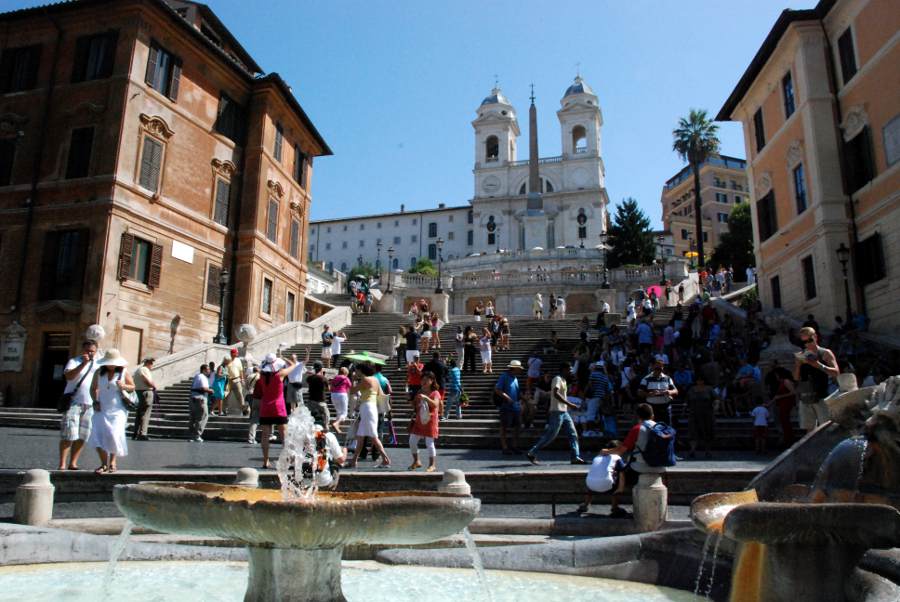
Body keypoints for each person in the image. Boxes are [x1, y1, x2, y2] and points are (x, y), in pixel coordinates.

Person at [598, 403, 668, 498]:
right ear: (653, 416)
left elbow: (621, 450)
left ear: (638, 416)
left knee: (619, 473)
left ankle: (615, 505)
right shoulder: (662, 428)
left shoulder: (637, 429)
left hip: (641, 467)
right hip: (661, 467)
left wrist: (606, 451)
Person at [526, 363, 587, 465]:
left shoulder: (563, 380)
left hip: (564, 411)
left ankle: (575, 457)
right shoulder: (557, 379)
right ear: (564, 369)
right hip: (557, 411)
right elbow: (555, 393)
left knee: (573, 434)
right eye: (569, 370)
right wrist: (570, 404)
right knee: (551, 435)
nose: (570, 372)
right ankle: (532, 452)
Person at [87, 349, 135, 474]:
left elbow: (132, 387)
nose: (111, 365)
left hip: (118, 409)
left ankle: (113, 461)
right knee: (99, 435)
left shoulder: (124, 372)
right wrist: (95, 401)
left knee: (114, 434)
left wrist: (123, 386)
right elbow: (93, 388)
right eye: (109, 362)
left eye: (113, 362)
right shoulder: (99, 372)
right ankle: (103, 463)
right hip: (102, 408)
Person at [59, 341, 100, 470]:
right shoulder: (74, 361)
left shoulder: (99, 364)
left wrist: (97, 401)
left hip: (89, 404)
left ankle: (73, 463)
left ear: (96, 351)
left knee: (83, 435)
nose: (89, 353)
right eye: (87, 350)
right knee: (68, 434)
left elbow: (99, 385)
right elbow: (69, 377)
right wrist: (83, 364)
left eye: (92, 351)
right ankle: (62, 464)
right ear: (82, 350)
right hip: (73, 403)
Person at [793, 326, 839, 432]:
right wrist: (798, 365)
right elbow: (795, 378)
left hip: (822, 395)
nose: (807, 344)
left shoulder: (825, 353)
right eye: (803, 342)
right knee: (809, 431)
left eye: (809, 340)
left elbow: (836, 373)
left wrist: (818, 365)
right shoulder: (801, 355)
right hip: (806, 396)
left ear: (815, 337)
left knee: (827, 429)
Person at [346, 363, 391, 468]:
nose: (356, 372)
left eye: (357, 370)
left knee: (373, 436)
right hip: (371, 408)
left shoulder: (365, 380)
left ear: (361, 370)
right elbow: (380, 394)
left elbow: (352, 391)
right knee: (360, 436)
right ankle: (354, 460)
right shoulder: (375, 379)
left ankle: (386, 459)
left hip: (367, 408)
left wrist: (352, 379)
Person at [577, 443, 628, 517]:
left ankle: (585, 504)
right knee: (617, 481)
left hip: (590, 484)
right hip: (606, 484)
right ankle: (614, 508)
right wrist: (621, 488)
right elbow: (622, 472)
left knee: (595, 478)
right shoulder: (616, 457)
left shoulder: (597, 457)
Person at [409, 371, 442, 472]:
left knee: (429, 443)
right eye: (422, 379)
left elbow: (435, 404)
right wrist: (412, 401)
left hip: (430, 420)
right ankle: (416, 461)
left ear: (432, 381)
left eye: (426, 380)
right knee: (412, 441)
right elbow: (415, 406)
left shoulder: (435, 393)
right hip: (419, 420)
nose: (424, 382)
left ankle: (432, 465)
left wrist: (426, 398)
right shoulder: (420, 391)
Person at [495, 360, 524, 454]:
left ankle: (514, 446)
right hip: (506, 406)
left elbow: (517, 392)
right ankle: (505, 447)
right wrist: (508, 398)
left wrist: (524, 399)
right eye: (519, 368)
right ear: (514, 368)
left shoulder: (515, 378)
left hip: (515, 406)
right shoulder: (504, 376)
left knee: (517, 426)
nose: (520, 370)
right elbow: (498, 390)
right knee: (504, 427)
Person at [687, 374, 717, 458]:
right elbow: (688, 401)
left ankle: (707, 451)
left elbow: (716, 399)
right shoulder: (691, 389)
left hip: (707, 414)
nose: (700, 382)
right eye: (698, 380)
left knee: (708, 432)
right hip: (694, 413)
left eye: (701, 380)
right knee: (693, 431)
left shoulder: (709, 389)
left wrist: (716, 406)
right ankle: (692, 450)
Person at [638, 360, 678, 425]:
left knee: (666, 428)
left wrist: (669, 392)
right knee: (653, 428)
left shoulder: (668, 378)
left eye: (660, 368)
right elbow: (639, 392)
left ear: (663, 368)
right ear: (653, 367)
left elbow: (676, 391)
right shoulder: (646, 379)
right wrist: (649, 394)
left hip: (665, 408)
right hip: (652, 409)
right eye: (656, 368)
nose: (658, 370)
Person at [132, 357, 156, 441]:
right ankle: (142, 433)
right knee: (145, 413)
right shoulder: (144, 369)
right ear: (149, 363)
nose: (152, 366)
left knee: (139, 413)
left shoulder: (139, 370)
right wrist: (153, 386)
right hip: (145, 392)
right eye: (152, 363)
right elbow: (146, 380)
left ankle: (135, 433)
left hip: (139, 392)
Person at [771, 368, 797, 448]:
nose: (776, 377)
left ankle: (789, 440)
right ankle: (787, 440)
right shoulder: (782, 382)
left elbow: (793, 392)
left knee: (785, 421)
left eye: (776, 375)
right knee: (784, 421)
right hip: (782, 404)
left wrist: (780, 396)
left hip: (786, 404)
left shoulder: (786, 381)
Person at [188, 363, 213, 442]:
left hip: (193, 398)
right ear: (203, 370)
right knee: (203, 417)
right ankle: (197, 435)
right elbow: (203, 388)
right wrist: (211, 390)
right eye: (208, 369)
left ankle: (191, 436)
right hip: (200, 399)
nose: (209, 371)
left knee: (193, 418)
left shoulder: (197, 376)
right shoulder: (203, 377)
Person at [304, 362, 331, 429]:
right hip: (321, 401)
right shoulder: (323, 378)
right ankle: (326, 426)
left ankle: (308, 426)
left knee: (309, 414)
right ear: (321, 369)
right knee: (326, 414)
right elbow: (329, 389)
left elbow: (309, 380)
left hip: (311, 400)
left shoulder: (310, 378)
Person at [286, 347, 311, 412]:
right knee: (291, 400)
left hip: (297, 384)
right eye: (291, 358)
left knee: (299, 399)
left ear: (296, 358)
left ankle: (300, 412)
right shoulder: (288, 365)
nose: (291, 359)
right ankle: (293, 411)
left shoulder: (299, 364)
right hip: (290, 384)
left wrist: (307, 353)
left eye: (293, 358)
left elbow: (306, 360)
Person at [329, 367, 352, 434]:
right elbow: (350, 386)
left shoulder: (335, 378)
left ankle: (337, 427)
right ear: (345, 373)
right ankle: (336, 423)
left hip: (333, 395)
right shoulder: (346, 378)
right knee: (344, 413)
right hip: (342, 395)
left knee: (339, 412)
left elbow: (331, 388)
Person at [224, 347, 246, 415]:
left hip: (237, 379)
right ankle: (224, 409)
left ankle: (243, 409)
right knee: (226, 395)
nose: (237, 354)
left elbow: (241, 370)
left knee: (240, 394)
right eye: (236, 353)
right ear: (232, 353)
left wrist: (242, 379)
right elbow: (223, 368)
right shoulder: (227, 360)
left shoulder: (238, 360)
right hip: (228, 380)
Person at [245, 365, 261, 444]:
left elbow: (246, 386)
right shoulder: (259, 376)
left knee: (253, 411)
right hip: (257, 395)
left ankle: (251, 437)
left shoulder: (249, 376)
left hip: (249, 394)